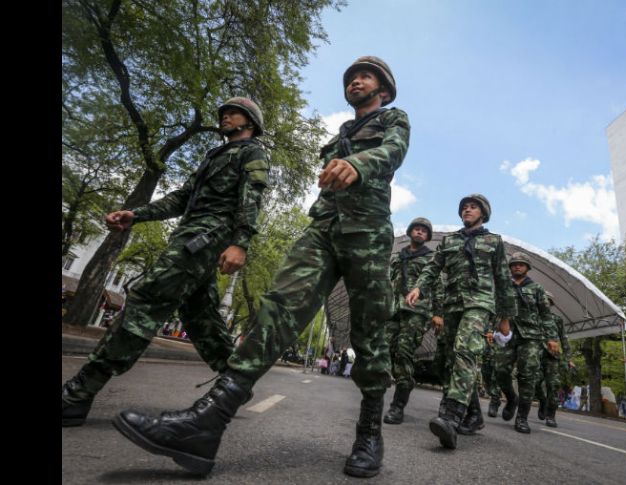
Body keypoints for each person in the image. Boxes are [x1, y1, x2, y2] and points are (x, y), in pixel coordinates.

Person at [112, 56, 408, 478]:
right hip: (323, 230)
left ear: (384, 90)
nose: (355, 81)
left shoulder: (394, 119)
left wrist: (357, 164)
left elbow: (393, 151)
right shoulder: (341, 133)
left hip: (368, 236)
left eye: (366, 76)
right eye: (350, 77)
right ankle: (206, 423)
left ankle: (369, 432)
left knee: (370, 333)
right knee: (276, 309)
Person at [61, 97, 270, 427]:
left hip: (206, 239)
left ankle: (77, 394)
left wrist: (240, 243)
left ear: (251, 122)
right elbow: (181, 199)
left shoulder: (252, 152)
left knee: (147, 299)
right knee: (199, 314)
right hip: (189, 235)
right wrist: (136, 215)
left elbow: (252, 199)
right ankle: (236, 383)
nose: (225, 116)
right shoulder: (214, 156)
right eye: (224, 113)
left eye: (233, 112)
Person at [405, 194, 516, 449]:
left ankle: (450, 417)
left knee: (466, 351)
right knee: (449, 361)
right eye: (464, 207)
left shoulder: (494, 241)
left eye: (473, 207)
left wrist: (506, 319)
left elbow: (503, 280)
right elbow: (433, 268)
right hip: (452, 306)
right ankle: (474, 415)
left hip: (480, 304)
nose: (467, 210)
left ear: (483, 213)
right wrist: (419, 288)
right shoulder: (450, 240)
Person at [383, 217, 443, 425]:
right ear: (410, 232)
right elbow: (390, 281)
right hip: (394, 310)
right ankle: (403, 382)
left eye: (423, 231)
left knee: (403, 351)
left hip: (417, 312)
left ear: (427, 236)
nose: (419, 232)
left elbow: (437, 286)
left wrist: (438, 313)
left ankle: (397, 406)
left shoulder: (430, 259)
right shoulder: (398, 258)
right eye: (416, 229)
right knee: (385, 348)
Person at [492, 252, 559, 434]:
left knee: (527, 376)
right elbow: (494, 310)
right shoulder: (503, 286)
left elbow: (546, 315)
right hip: (508, 335)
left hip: (531, 337)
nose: (517, 266)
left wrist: (552, 338)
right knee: (500, 371)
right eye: (514, 264)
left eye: (521, 264)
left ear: (527, 268)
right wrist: (490, 330)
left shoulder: (537, 289)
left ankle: (522, 417)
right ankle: (511, 398)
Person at [534, 291, 574, 428]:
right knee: (534, 383)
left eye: (547, 302)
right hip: (534, 355)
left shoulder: (557, 320)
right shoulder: (532, 318)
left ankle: (551, 416)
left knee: (553, 385)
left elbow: (564, 339)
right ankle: (542, 401)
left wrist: (568, 358)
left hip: (552, 357)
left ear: (550, 304)